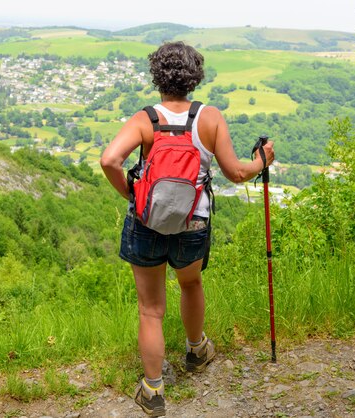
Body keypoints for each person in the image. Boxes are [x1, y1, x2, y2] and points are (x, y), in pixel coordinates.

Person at [100, 41, 275, 417]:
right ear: (194, 76)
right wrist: (262, 159)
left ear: (157, 77)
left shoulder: (145, 119)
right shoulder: (209, 118)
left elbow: (110, 159)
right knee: (191, 283)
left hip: (146, 222)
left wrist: (133, 194)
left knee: (150, 309)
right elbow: (237, 172)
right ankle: (196, 350)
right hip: (193, 222)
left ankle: (152, 391)